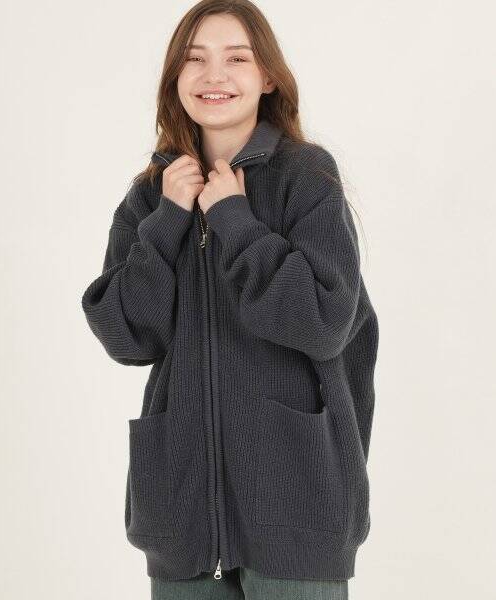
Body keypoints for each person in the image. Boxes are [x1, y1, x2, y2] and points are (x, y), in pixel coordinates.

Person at [81, 0, 379, 598]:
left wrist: (235, 221)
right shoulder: (152, 196)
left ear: (267, 76)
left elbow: (324, 322)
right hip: (181, 516)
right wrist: (169, 219)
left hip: (297, 506)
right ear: (176, 77)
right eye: (195, 59)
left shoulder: (306, 177)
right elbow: (126, 336)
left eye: (236, 58)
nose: (214, 75)